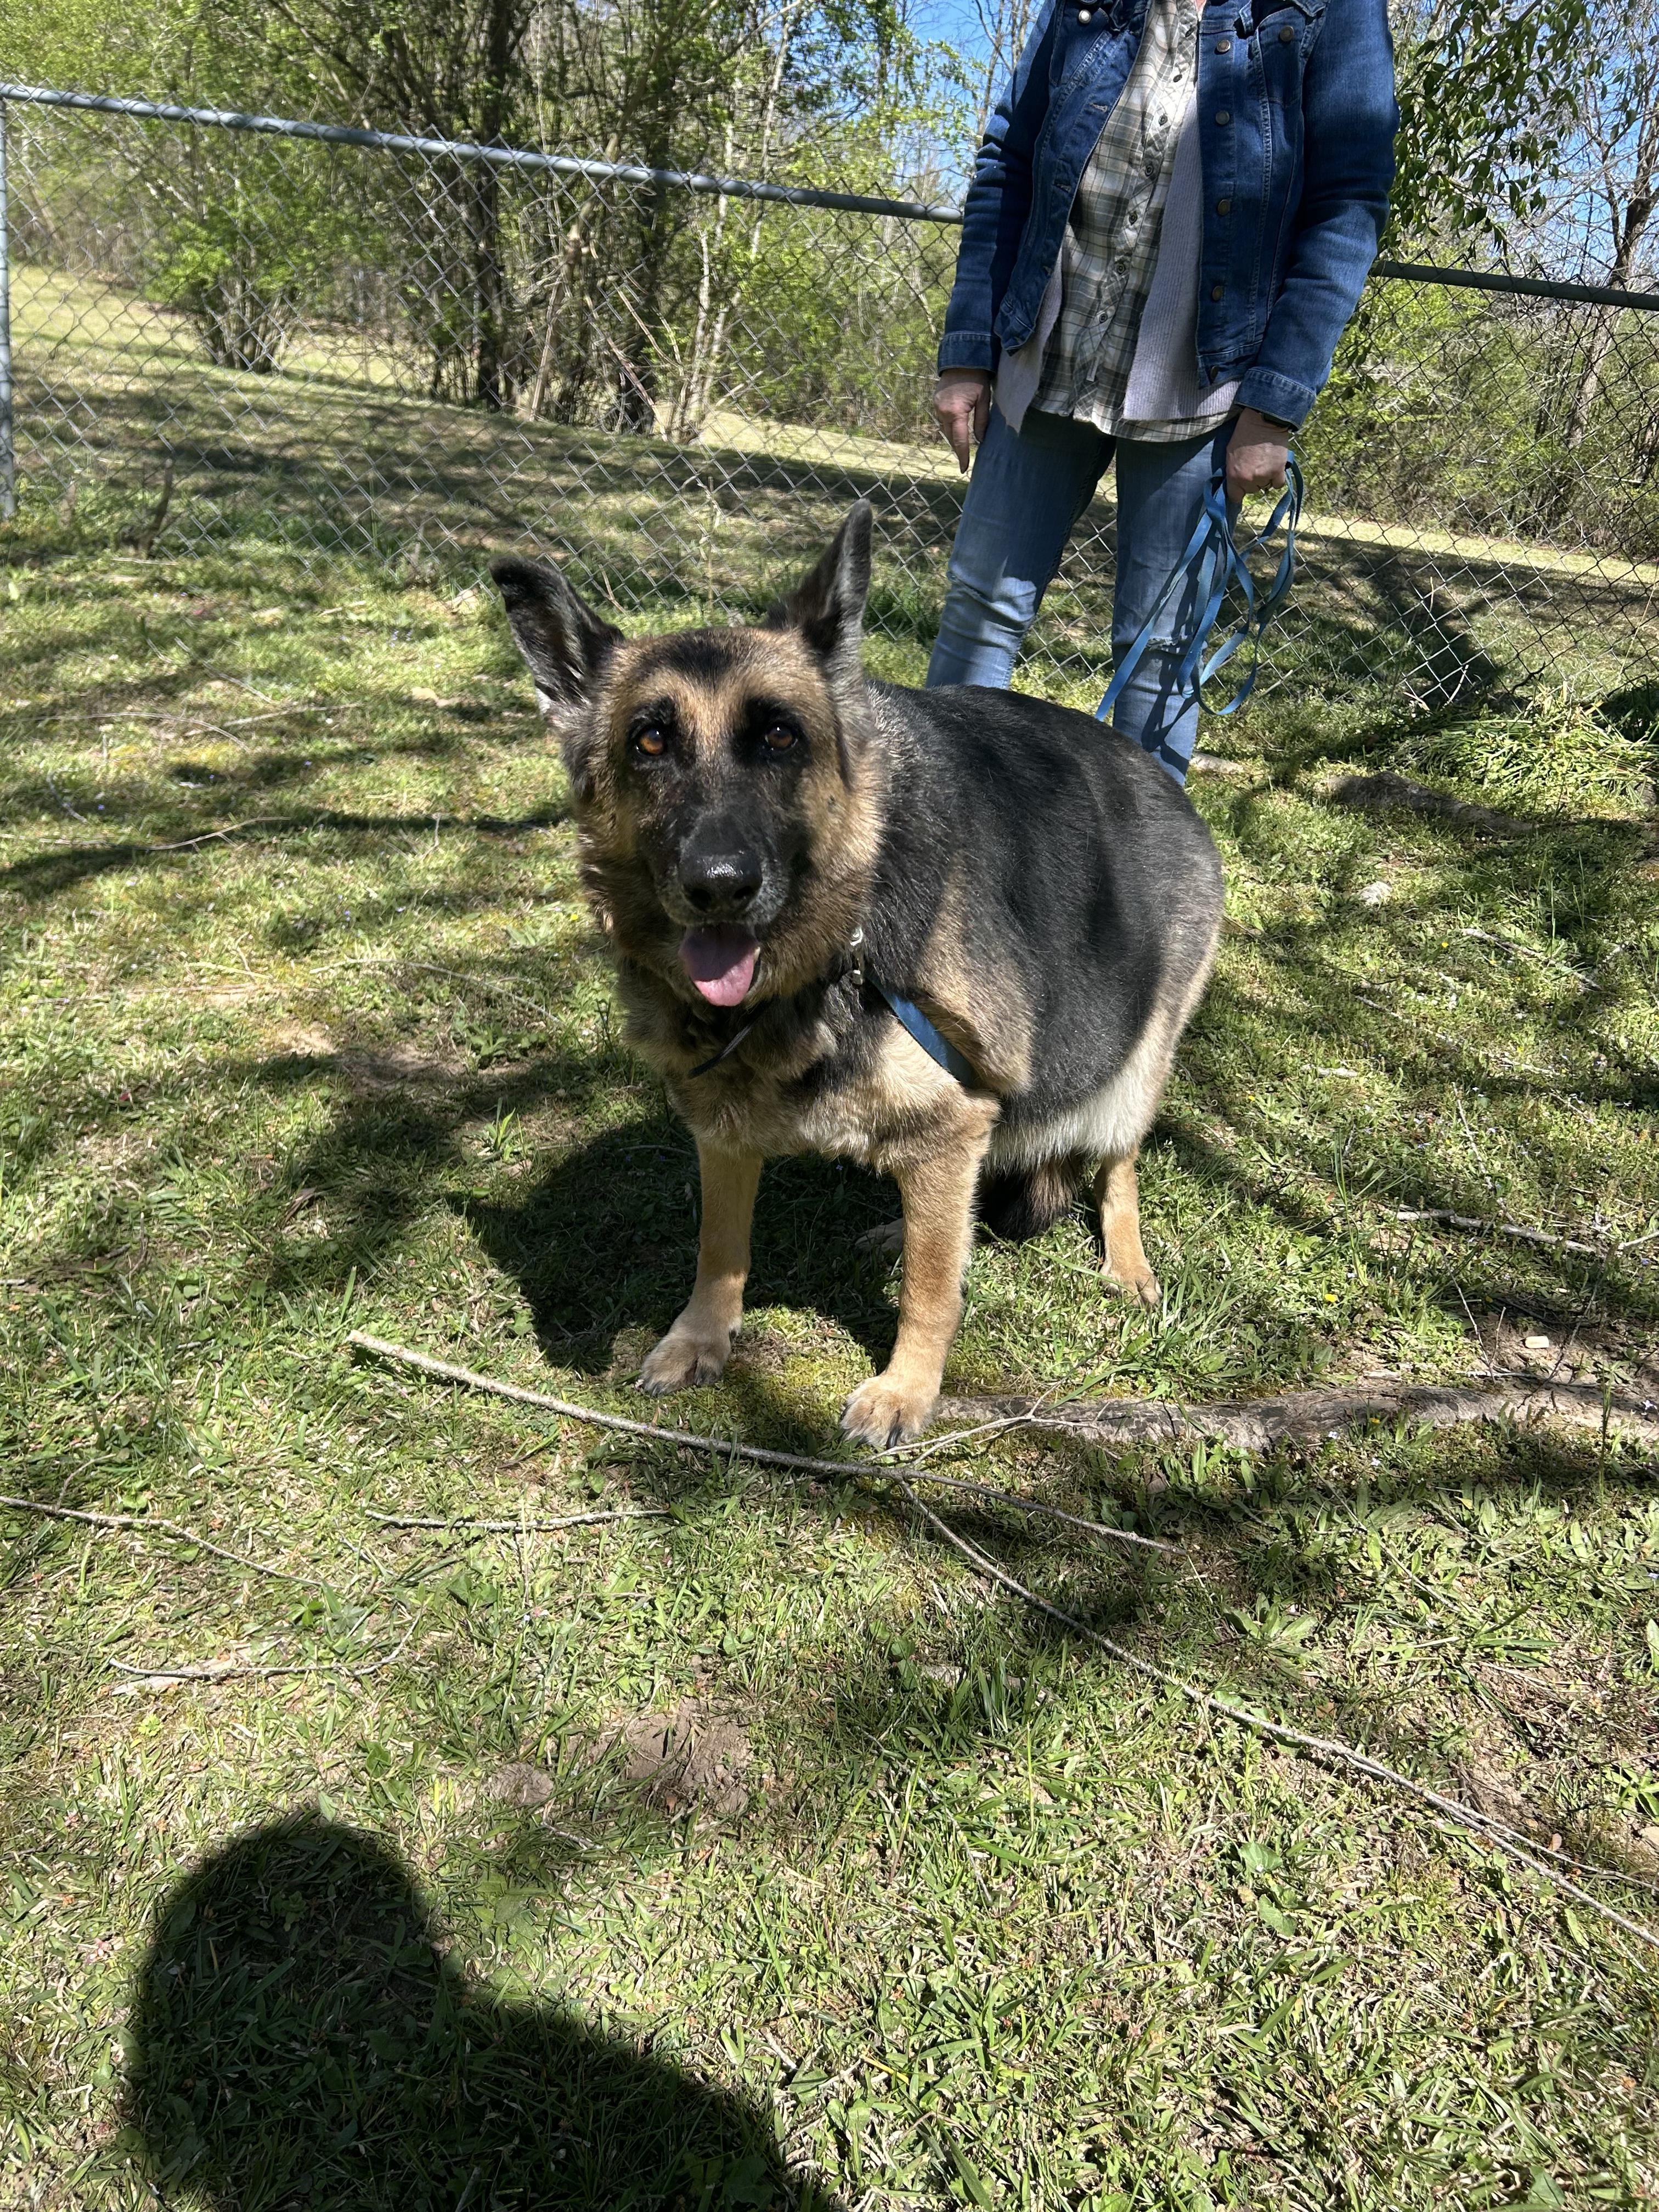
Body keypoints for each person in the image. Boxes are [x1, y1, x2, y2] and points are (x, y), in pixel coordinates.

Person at [927, 0, 1398, 781]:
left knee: (1160, 650)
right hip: (1047, 359)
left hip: (1206, 389)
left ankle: (1144, 895)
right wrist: (967, 353)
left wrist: (1274, 408)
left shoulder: (1331, 11)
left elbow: (1346, 209)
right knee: (981, 610)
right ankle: (934, 851)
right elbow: (1009, 157)